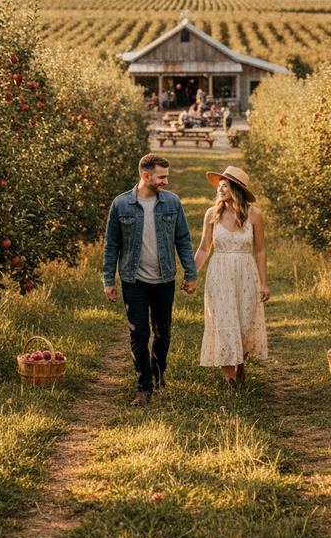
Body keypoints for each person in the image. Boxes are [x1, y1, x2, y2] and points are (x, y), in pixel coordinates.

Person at [103, 154, 198, 405]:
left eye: (167, 176)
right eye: (162, 176)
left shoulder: (172, 203)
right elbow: (111, 245)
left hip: (164, 279)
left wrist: (190, 273)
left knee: (162, 333)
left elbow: (183, 240)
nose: (166, 181)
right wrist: (108, 280)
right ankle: (143, 386)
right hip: (134, 280)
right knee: (139, 333)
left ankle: (158, 369)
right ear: (146, 176)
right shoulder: (121, 204)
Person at [194, 166, 268, 387]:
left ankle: (240, 364)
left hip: (246, 273)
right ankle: (230, 379)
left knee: (245, 324)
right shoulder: (211, 214)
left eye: (225, 184)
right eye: (219, 184)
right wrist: (191, 275)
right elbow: (204, 248)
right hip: (219, 274)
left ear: (236, 189)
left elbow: (261, 250)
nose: (220, 188)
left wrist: (264, 283)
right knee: (224, 322)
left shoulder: (254, 215)